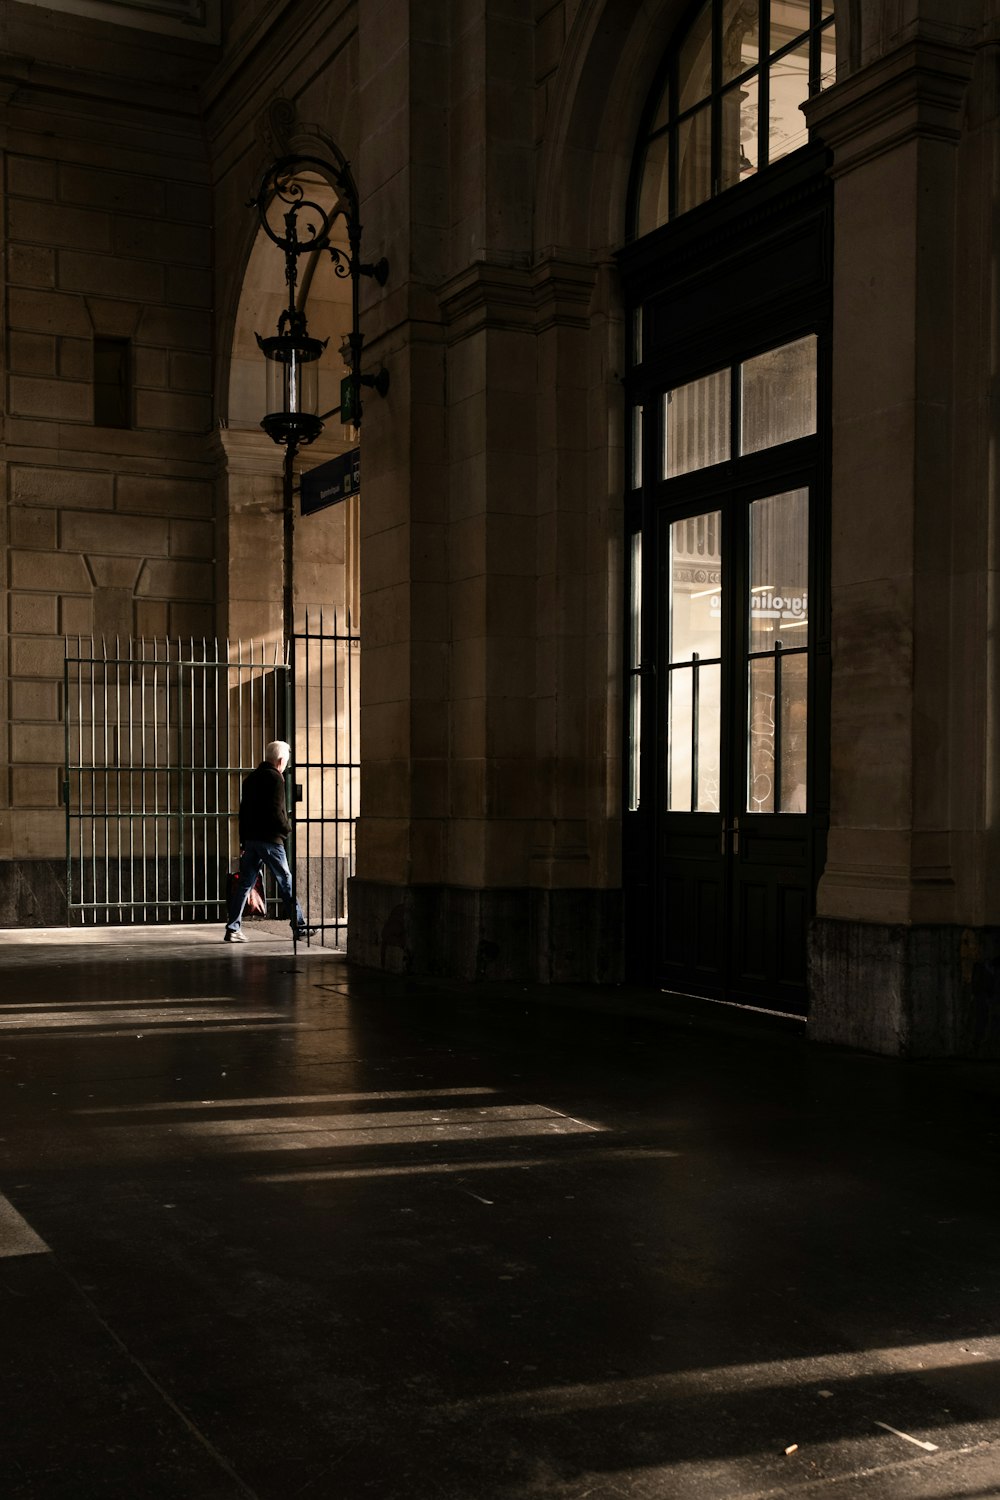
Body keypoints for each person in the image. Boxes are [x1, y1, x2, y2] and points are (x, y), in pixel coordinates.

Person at [224, 740, 313, 943]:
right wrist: (287, 829)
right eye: (286, 762)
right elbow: (276, 811)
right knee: (285, 881)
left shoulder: (250, 779)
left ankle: (233, 928)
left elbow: (243, 813)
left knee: (245, 883)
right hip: (271, 841)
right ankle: (299, 926)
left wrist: (243, 843)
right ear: (281, 760)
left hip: (251, 840)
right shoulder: (276, 779)